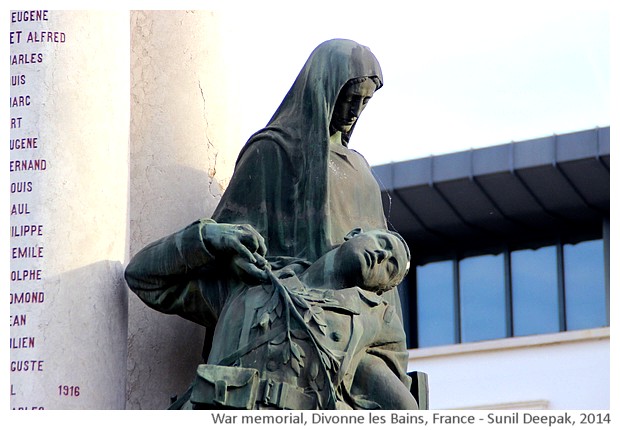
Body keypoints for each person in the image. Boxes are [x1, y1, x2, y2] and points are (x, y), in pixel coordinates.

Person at [125, 221, 417, 410]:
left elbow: (403, 411)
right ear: (355, 233)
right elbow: (142, 277)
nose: (382, 256)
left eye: (390, 267)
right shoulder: (248, 277)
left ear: (379, 291)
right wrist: (209, 237)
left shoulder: (364, 328)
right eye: (384, 245)